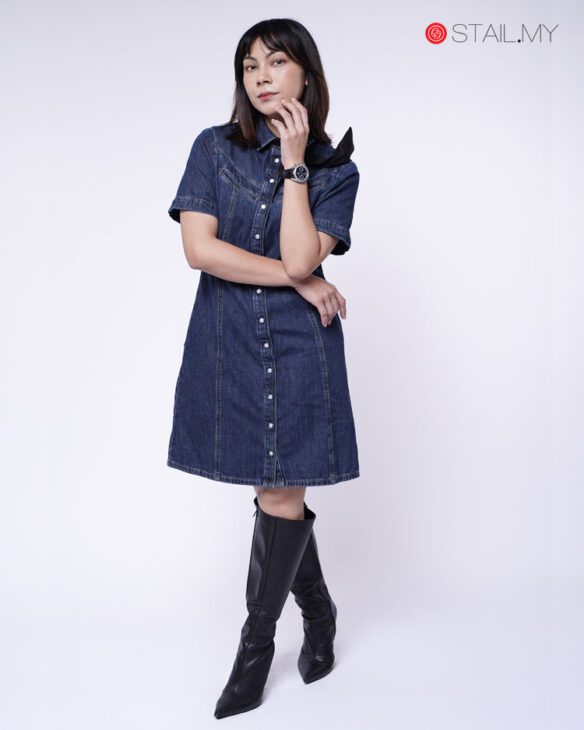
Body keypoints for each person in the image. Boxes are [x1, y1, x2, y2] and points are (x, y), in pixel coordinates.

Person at [166, 18, 361, 719]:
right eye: (250, 65)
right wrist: (300, 280)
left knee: (279, 495)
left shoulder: (337, 171)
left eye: (276, 62)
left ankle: (255, 650)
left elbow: (305, 253)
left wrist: (296, 162)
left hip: (302, 348)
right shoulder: (213, 149)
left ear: (306, 74)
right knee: (274, 493)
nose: (261, 76)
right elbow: (201, 251)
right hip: (230, 343)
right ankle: (320, 609)